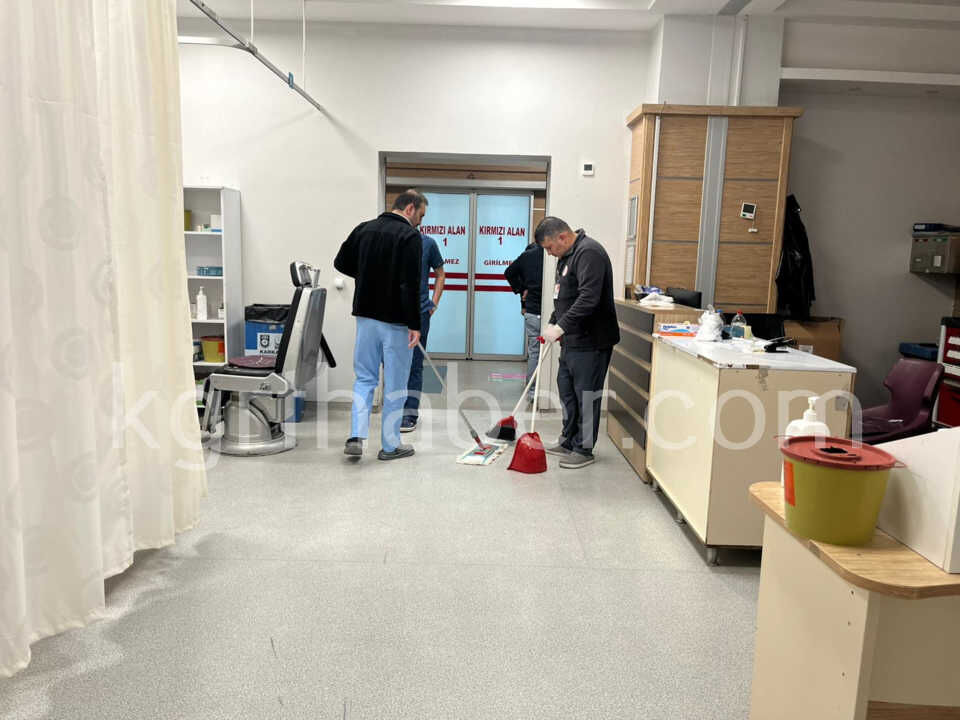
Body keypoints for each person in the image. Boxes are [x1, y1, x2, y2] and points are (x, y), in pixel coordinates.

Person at [334, 190, 426, 460]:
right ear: (410, 208)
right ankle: (390, 446)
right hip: (396, 322)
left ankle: (356, 436)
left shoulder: (364, 229)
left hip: (365, 318)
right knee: (396, 384)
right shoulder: (410, 236)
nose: (420, 222)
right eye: (420, 215)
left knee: (364, 378)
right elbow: (410, 283)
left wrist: (367, 275)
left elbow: (340, 262)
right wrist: (415, 324)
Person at [536, 217, 619, 469]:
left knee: (586, 395)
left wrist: (561, 326)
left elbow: (588, 299)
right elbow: (564, 297)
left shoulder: (589, 253)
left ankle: (584, 448)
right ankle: (569, 440)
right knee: (567, 391)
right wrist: (553, 322)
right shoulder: (566, 257)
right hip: (572, 340)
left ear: (562, 237)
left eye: (550, 247)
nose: (549, 253)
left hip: (591, 341)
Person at [400, 228, 445, 432]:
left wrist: (433, 303)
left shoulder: (428, 243)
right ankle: (394, 409)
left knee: (414, 364)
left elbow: (440, 274)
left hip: (419, 313)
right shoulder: (393, 240)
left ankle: (409, 413)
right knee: (392, 363)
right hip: (392, 314)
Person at [504, 240, 543, 404]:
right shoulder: (552, 256)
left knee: (534, 352)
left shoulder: (527, 256)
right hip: (549, 311)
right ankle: (544, 389)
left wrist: (521, 289)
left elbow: (509, 272)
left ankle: (532, 391)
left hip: (532, 310)